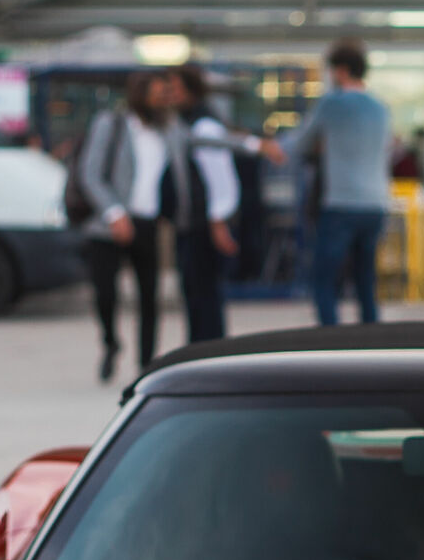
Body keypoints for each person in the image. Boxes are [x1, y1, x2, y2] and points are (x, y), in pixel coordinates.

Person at [167, 64, 283, 343]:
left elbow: (220, 178)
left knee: (204, 295)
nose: (170, 95)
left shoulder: (203, 124)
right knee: (196, 294)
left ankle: (206, 354)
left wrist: (218, 221)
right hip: (193, 222)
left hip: (202, 225)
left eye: (175, 89)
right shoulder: (186, 122)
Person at [76, 71, 179, 382]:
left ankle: (146, 365)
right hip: (108, 224)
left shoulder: (168, 130)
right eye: (158, 93)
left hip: (147, 222)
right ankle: (111, 343)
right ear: (140, 94)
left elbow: (204, 139)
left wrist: (255, 145)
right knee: (105, 295)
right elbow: (90, 173)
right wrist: (114, 213)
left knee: (149, 297)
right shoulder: (112, 124)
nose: (163, 99)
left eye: (166, 94)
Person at [282, 39, 393, 325]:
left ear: (341, 71)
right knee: (365, 283)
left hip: (341, 203)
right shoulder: (381, 108)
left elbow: (301, 143)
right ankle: (371, 344)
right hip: (375, 204)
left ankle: (329, 346)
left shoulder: (332, 104)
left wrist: (267, 147)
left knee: (324, 280)